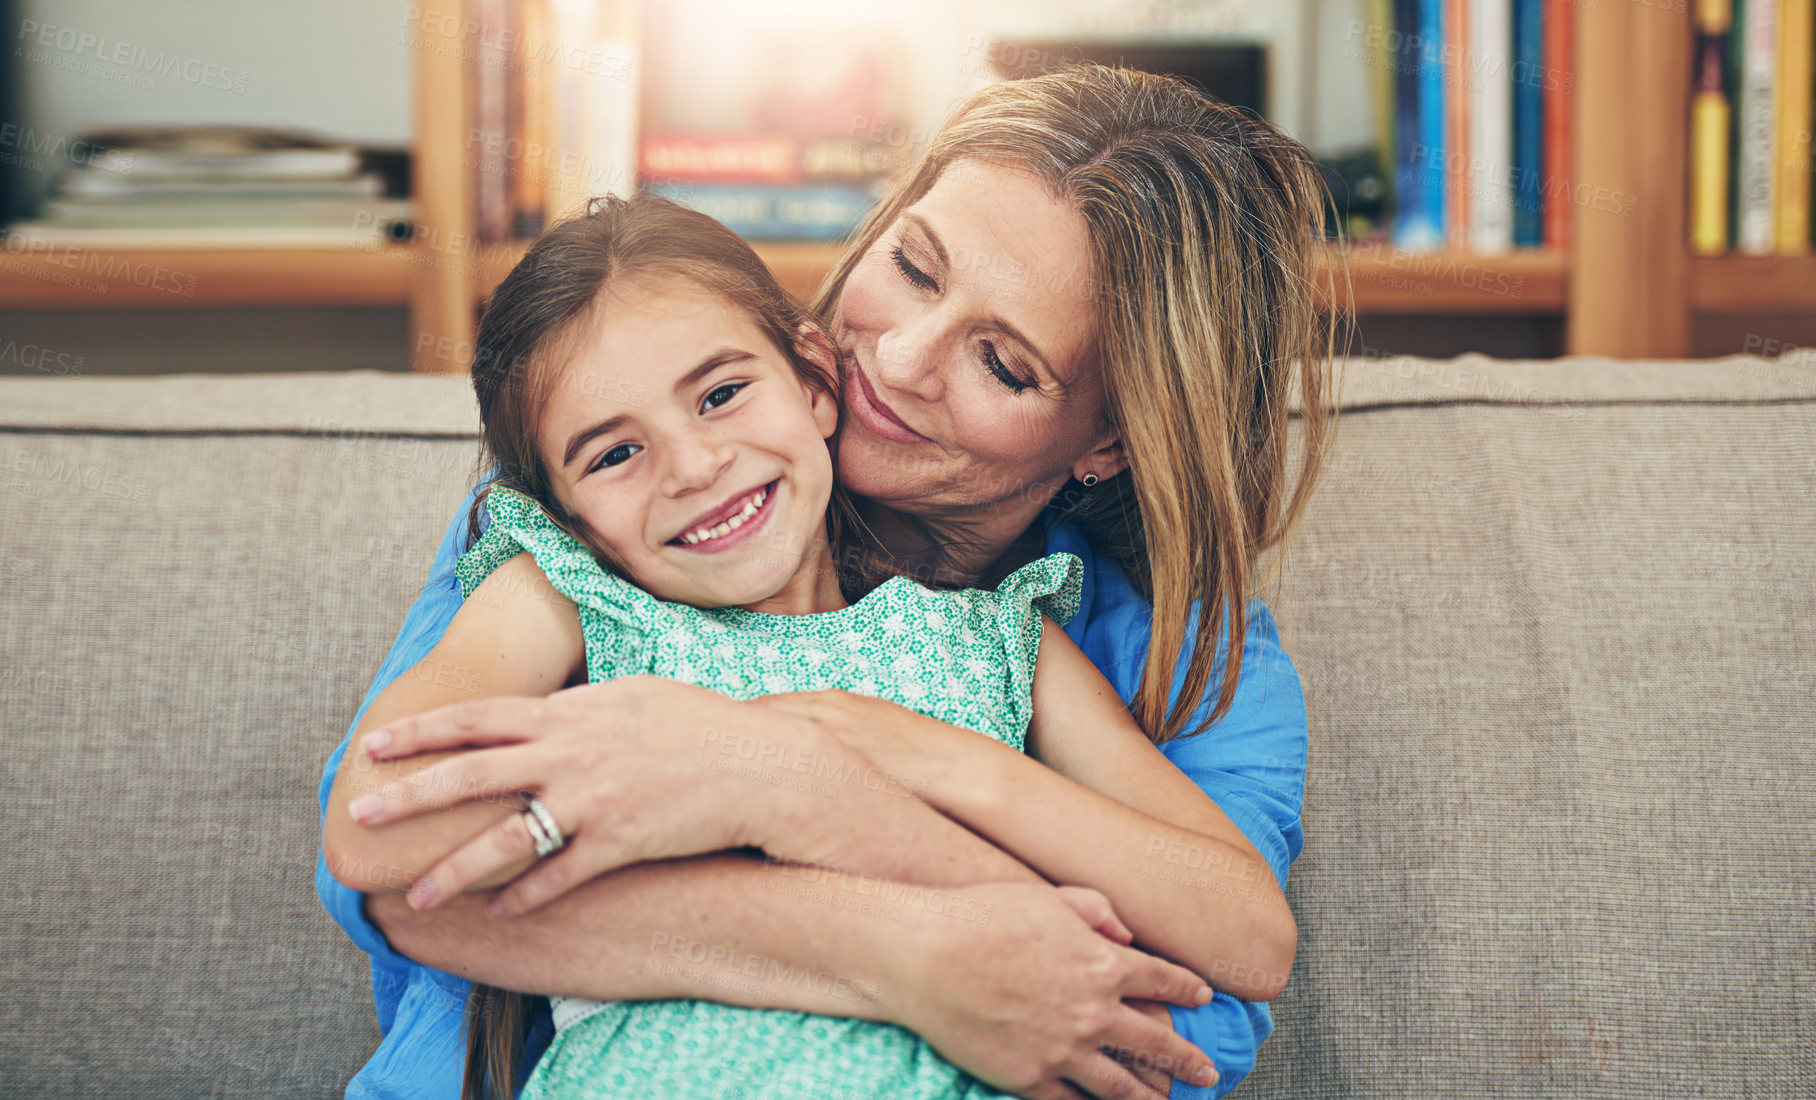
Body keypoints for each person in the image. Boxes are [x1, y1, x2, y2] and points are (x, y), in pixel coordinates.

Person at [318, 63, 1341, 1100]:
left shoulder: (1115, 650)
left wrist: (827, 781)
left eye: (1005, 364)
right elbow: (398, 872)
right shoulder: (595, 535)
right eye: (916, 265)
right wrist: (898, 947)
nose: (896, 360)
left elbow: (1180, 1011)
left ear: (1113, 438)